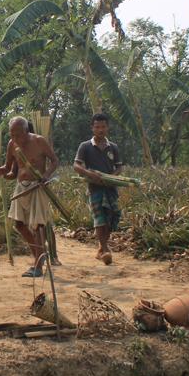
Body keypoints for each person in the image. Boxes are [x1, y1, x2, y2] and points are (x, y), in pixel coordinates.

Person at [0, 116, 59, 277]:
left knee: (38, 226)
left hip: (37, 187)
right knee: (19, 225)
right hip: (21, 187)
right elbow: (9, 171)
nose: (15, 138)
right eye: (12, 135)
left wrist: (46, 175)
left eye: (18, 134)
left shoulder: (39, 141)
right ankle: (39, 256)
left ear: (26, 131)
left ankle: (38, 266)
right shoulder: (12, 145)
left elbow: (55, 161)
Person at [73, 113, 124, 265]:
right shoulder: (85, 146)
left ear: (107, 128)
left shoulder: (113, 147)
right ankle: (105, 248)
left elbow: (119, 166)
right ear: (92, 128)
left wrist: (112, 177)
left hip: (110, 188)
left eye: (103, 127)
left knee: (110, 218)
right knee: (100, 219)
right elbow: (76, 166)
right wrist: (90, 174)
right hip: (94, 188)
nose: (100, 130)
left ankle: (101, 249)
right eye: (97, 127)